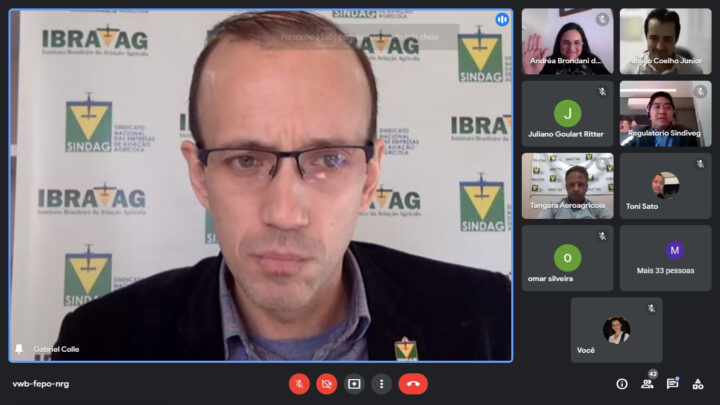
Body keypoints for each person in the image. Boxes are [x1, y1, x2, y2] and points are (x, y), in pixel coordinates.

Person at [52, 11, 510, 361]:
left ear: (369, 178)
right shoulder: (99, 342)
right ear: (200, 176)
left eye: (329, 159)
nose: (285, 214)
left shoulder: (490, 319)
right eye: (245, 160)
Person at [621, 8, 703, 74]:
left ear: (676, 40)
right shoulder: (630, 70)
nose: (660, 47)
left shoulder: (695, 72)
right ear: (646, 38)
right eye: (654, 38)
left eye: (667, 39)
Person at [522, 22, 610, 75]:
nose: (571, 48)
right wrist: (531, 75)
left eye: (577, 43)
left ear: (583, 44)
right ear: (559, 44)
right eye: (566, 42)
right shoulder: (544, 63)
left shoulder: (593, 60)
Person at [626, 91, 699, 147]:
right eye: (657, 107)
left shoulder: (686, 134)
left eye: (667, 107)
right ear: (649, 112)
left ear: (673, 112)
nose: (662, 111)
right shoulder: (640, 133)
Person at [537, 166, 612, 219]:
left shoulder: (597, 207)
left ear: (586, 187)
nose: (576, 189)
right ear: (566, 187)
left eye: (580, 184)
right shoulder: (552, 206)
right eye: (572, 184)